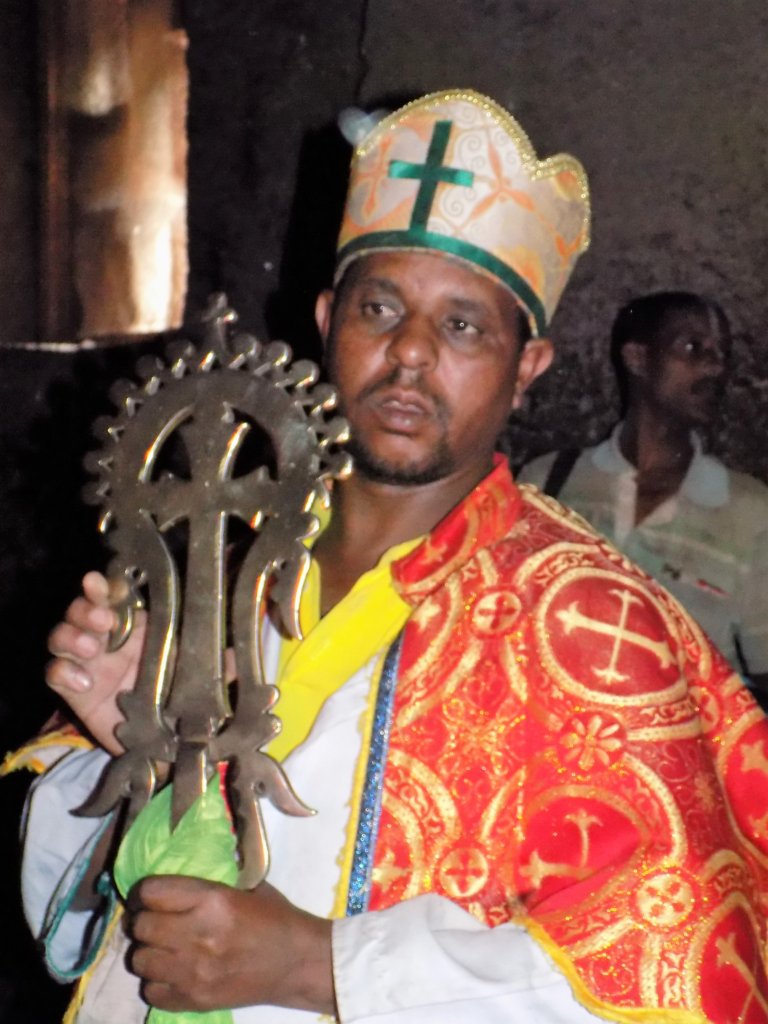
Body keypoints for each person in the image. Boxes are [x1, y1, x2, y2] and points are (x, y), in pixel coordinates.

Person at [8, 90, 768, 1024]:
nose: (409, 353)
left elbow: (683, 973)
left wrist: (320, 967)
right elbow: (75, 918)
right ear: (328, 320)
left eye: (461, 326)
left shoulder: (597, 629)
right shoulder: (213, 561)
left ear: (528, 366)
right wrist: (138, 749)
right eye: (380, 306)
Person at [519, 291, 768, 700]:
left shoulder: (749, 511)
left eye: (723, 353)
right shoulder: (549, 485)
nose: (716, 367)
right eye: (693, 348)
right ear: (637, 359)